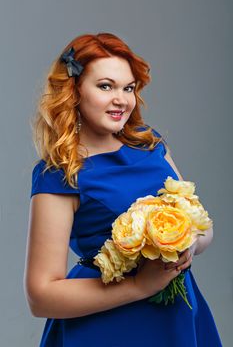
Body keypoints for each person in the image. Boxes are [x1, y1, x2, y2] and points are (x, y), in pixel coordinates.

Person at [24, 32, 222, 347]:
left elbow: (203, 225)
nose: (122, 99)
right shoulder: (61, 173)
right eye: (106, 86)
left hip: (176, 315)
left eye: (128, 88)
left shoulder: (150, 144)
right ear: (74, 91)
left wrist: (190, 242)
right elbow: (40, 296)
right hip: (106, 327)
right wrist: (141, 287)